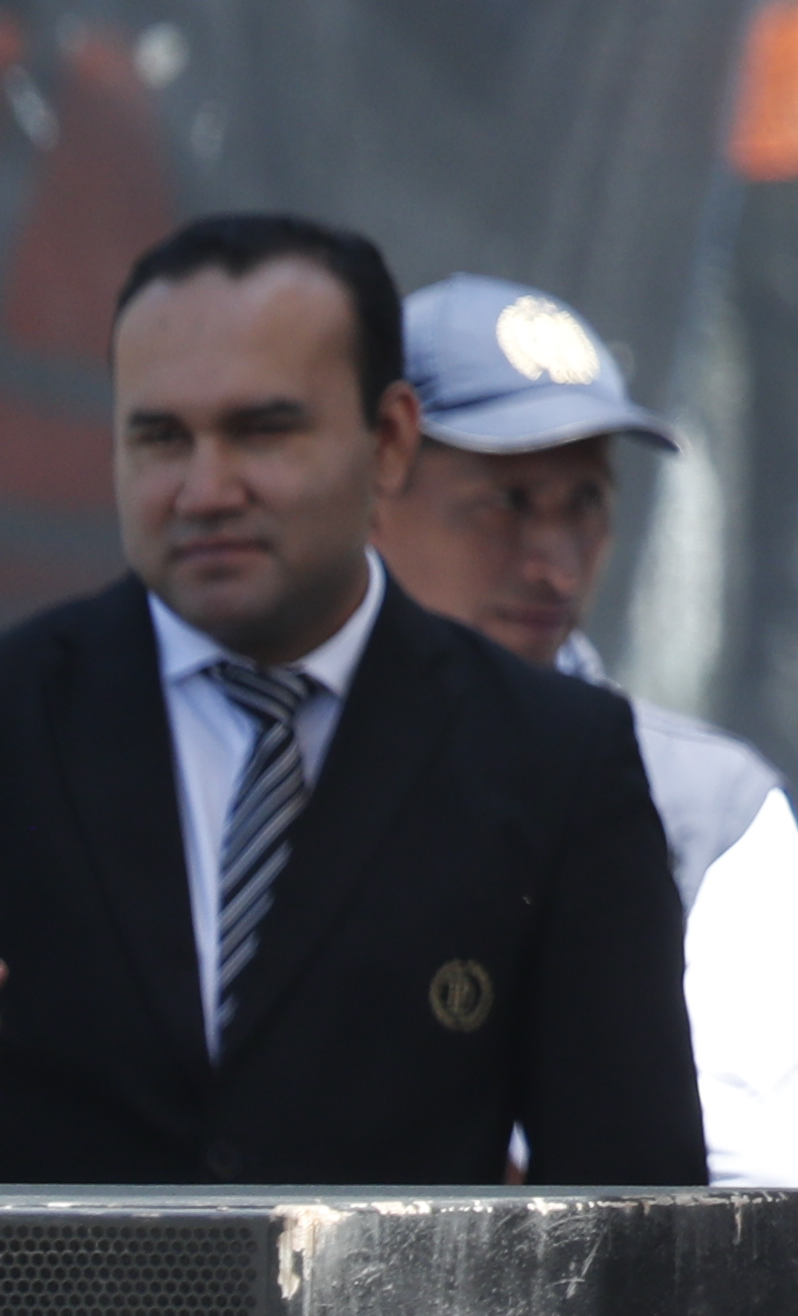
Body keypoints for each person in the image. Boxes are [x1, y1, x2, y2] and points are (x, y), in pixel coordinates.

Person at [0, 212, 703, 1181]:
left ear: (389, 442)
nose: (206, 488)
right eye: (161, 438)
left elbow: (642, 1213)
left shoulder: (552, 763)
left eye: (262, 430)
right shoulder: (19, 725)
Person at [375, 268, 798, 1184]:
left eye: (586, 502)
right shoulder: (255, 755)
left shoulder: (711, 807)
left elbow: (734, 1206)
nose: (555, 564)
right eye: (504, 501)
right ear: (375, 485)